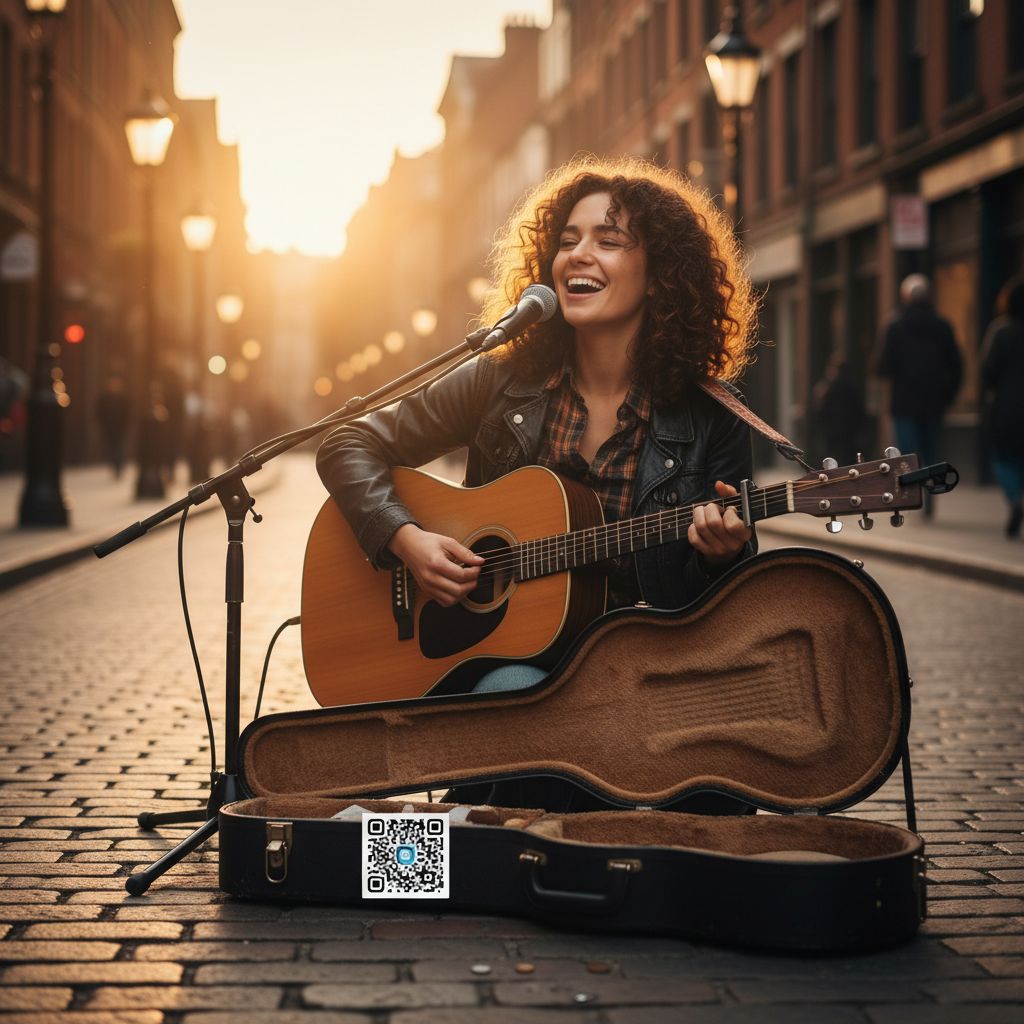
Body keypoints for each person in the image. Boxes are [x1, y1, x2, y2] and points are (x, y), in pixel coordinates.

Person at [316, 157, 759, 812]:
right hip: (488, 668)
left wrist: (721, 557)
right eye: (569, 238)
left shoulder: (711, 420)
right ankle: (466, 871)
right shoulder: (503, 381)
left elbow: (725, 619)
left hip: (641, 681)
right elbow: (346, 440)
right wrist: (406, 540)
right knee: (517, 698)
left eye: (608, 241)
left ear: (661, 274)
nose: (578, 254)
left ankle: (510, 866)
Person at [876, 273, 962, 515]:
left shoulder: (894, 325)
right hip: (934, 401)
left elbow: (883, 367)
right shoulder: (943, 326)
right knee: (932, 449)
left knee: (908, 454)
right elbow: (957, 366)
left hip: (904, 402)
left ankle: (914, 496)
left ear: (905, 297)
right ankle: (933, 492)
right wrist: (949, 395)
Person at [981, 276, 1024, 538]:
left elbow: (988, 371)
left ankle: (1014, 501)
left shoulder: (1001, 331)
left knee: (1004, 460)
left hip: (1007, 409)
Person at [811, 351, 866, 466]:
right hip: (841, 433)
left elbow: (820, 410)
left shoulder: (831, 388)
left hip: (840, 433)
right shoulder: (848, 386)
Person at [95, 374, 131, 478]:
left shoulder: (124, 398)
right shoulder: (105, 398)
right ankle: (115, 465)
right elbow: (99, 411)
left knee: (118, 447)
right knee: (111, 447)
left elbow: (128, 413)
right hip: (109, 427)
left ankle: (118, 466)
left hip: (120, 427)